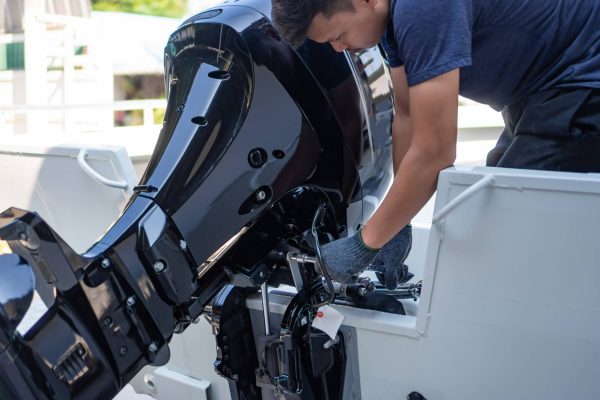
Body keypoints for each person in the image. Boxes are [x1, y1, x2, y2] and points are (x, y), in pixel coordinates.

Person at [271, 0, 600, 284]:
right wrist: (397, 223)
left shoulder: (421, 8)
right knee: (494, 212)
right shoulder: (390, 19)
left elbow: (436, 153)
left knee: (510, 230)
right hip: (543, 91)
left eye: (338, 36)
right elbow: (407, 115)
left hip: (583, 80)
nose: (339, 49)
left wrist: (363, 244)